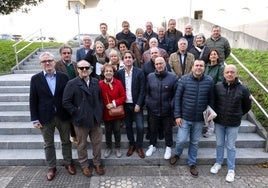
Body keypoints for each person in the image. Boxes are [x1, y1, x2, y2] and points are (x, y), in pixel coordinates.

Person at [29, 52, 76, 181]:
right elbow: (33, 100)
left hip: (63, 115)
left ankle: (68, 163)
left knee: (66, 141)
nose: (47, 63)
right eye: (44, 61)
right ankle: (51, 167)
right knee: (48, 144)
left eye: (49, 60)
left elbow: (69, 96)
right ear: (41, 64)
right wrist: (35, 118)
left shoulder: (63, 77)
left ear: (54, 62)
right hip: (45, 116)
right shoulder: (35, 79)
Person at [170, 59, 214, 177]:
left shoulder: (209, 81)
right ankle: (177, 154)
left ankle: (192, 163)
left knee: (194, 142)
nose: (198, 67)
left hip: (199, 119)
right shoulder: (184, 79)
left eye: (201, 65)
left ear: (204, 68)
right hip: (185, 117)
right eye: (196, 65)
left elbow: (211, 100)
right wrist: (177, 116)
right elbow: (177, 98)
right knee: (181, 140)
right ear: (192, 67)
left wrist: (209, 116)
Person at [62, 60, 104, 177]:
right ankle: (84, 165)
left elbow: (100, 99)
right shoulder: (72, 83)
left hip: (95, 119)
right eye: (81, 68)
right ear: (77, 70)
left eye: (86, 67)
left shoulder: (96, 82)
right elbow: (66, 102)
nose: (84, 70)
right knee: (82, 144)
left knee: (97, 143)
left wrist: (99, 111)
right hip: (81, 120)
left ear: (90, 69)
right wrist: (77, 112)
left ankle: (97, 163)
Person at [210, 64, 251, 182]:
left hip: (233, 123)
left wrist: (238, 114)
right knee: (219, 144)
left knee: (231, 146)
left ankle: (231, 169)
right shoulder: (217, 87)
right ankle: (218, 163)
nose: (229, 74)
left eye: (232, 72)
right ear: (223, 74)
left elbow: (247, 106)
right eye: (227, 72)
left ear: (236, 74)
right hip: (219, 122)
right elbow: (213, 102)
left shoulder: (243, 89)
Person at [145, 57, 178, 159]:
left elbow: (176, 94)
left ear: (165, 64)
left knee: (168, 130)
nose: (159, 65)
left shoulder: (173, 77)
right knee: (153, 129)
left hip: (167, 110)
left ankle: (168, 147)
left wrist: (171, 105)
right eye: (157, 64)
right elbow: (147, 92)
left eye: (161, 63)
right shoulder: (150, 76)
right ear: (154, 65)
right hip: (153, 109)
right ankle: (152, 145)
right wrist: (149, 103)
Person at [115, 50, 146, 159]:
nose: (128, 59)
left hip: (136, 105)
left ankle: (139, 146)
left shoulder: (139, 72)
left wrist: (138, 104)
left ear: (133, 59)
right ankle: (132, 145)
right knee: (128, 127)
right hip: (125, 106)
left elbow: (143, 90)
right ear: (123, 60)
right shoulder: (119, 73)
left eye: (130, 57)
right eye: (126, 57)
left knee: (140, 127)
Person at [99, 63, 126, 158]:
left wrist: (114, 103)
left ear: (113, 72)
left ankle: (117, 147)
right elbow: (98, 98)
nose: (108, 72)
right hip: (106, 112)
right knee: (108, 130)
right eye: (106, 71)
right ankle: (108, 147)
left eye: (110, 71)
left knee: (117, 130)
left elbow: (123, 97)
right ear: (103, 73)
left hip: (117, 111)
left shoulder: (118, 82)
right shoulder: (100, 84)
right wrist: (104, 105)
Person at [55, 45, 79, 144]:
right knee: (68, 117)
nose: (67, 55)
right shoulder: (56, 65)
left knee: (76, 115)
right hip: (64, 94)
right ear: (61, 54)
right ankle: (73, 135)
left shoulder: (75, 64)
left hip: (76, 94)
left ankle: (78, 134)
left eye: (68, 53)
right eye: (64, 53)